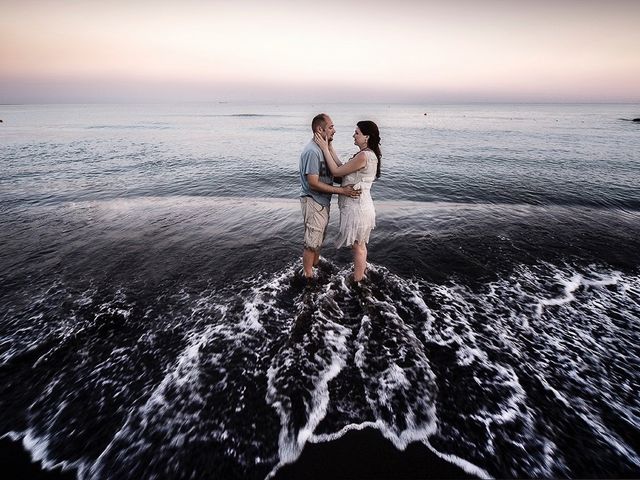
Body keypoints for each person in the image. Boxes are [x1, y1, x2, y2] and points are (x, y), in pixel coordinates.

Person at [314, 120, 381, 282]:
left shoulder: (363, 156)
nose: (354, 135)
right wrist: (329, 147)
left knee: (357, 246)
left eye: (357, 133)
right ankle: (360, 275)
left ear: (366, 137)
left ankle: (358, 281)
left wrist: (323, 148)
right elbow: (342, 169)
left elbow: (336, 171)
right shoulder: (366, 154)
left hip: (357, 208)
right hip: (361, 205)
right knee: (360, 244)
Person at [299, 113, 360, 279]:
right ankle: (308, 277)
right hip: (313, 201)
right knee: (311, 244)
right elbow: (312, 182)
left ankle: (315, 267)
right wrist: (342, 191)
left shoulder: (323, 149)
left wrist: (330, 147)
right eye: (331, 127)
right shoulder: (312, 151)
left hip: (321, 202)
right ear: (320, 129)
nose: (335, 130)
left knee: (317, 240)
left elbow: (338, 171)